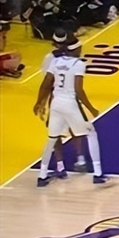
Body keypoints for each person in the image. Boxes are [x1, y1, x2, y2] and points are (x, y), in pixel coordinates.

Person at [33, 38, 108, 186]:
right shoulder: (78, 64)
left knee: (52, 138)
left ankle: (42, 176)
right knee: (91, 133)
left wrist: (39, 102)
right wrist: (91, 108)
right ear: (76, 50)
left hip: (56, 103)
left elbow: (46, 84)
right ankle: (98, 174)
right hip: (69, 103)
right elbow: (78, 90)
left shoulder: (55, 61)